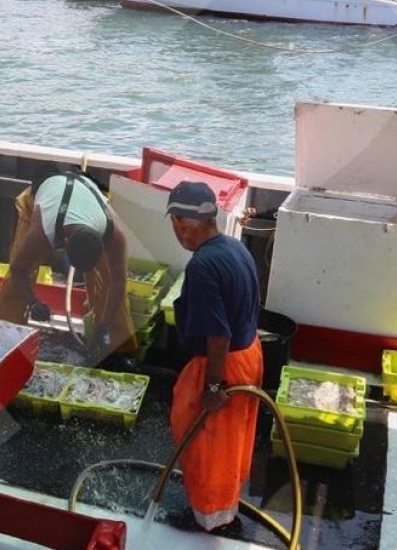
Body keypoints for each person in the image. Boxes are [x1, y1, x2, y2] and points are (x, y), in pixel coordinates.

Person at [166, 180, 263, 535]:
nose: (177, 229)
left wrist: (213, 385)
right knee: (231, 442)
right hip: (250, 355)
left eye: (177, 220)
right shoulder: (236, 248)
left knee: (205, 444)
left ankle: (209, 522)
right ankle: (225, 508)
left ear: (186, 222)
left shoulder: (203, 266)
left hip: (222, 364)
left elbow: (218, 334)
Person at [0, 168, 137, 364]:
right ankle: (3, 339)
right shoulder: (41, 233)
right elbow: (18, 271)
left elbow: (119, 281)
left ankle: (117, 349)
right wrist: (33, 301)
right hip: (43, 196)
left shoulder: (114, 234)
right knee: (22, 271)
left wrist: (104, 325)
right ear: (64, 243)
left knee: (107, 278)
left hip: (88, 193)